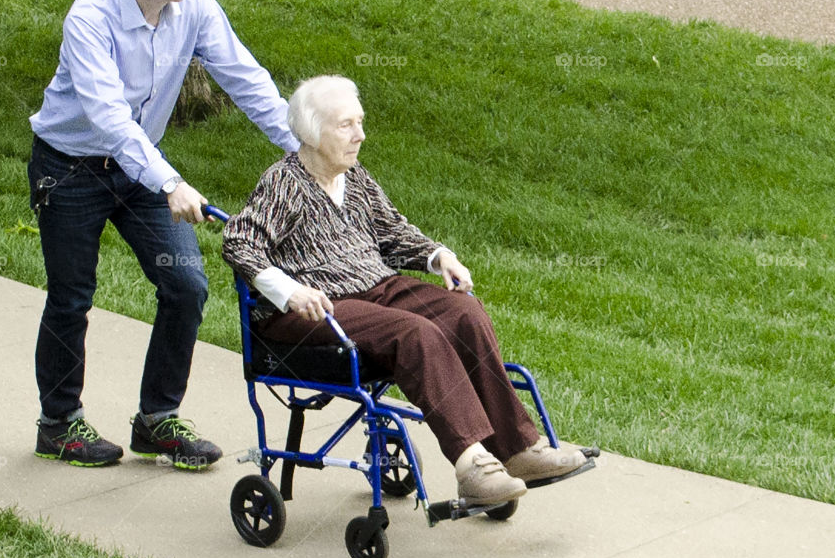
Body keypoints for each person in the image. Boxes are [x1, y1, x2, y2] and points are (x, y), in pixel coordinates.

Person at [221, 75, 587, 506]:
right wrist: (290, 291)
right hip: (314, 311)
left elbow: (392, 231)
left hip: (376, 288)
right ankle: (472, 465)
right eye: (346, 125)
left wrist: (439, 256)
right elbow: (238, 241)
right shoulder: (284, 183)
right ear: (311, 132)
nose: (360, 135)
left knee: (463, 311)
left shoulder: (353, 177)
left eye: (360, 122)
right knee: (416, 333)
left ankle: (517, 449)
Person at [28, 0, 299, 469]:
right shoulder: (91, 17)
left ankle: (157, 419)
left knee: (186, 287)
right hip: (70, 168)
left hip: (140, 169)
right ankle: (58, 424)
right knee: (72, 296)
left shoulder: (193, 6)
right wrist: (170, 181)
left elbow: (246, 80)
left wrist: (307, 146)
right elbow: (109, 118)